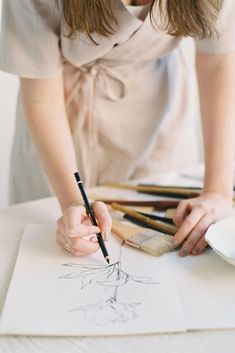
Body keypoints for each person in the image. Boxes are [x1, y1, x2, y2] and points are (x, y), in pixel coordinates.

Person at [0, 0, 234, 257]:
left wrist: (217, 191)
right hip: (57, 127)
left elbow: (218, 64)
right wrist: (72, 202)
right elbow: (41, 100)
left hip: (157, 117)